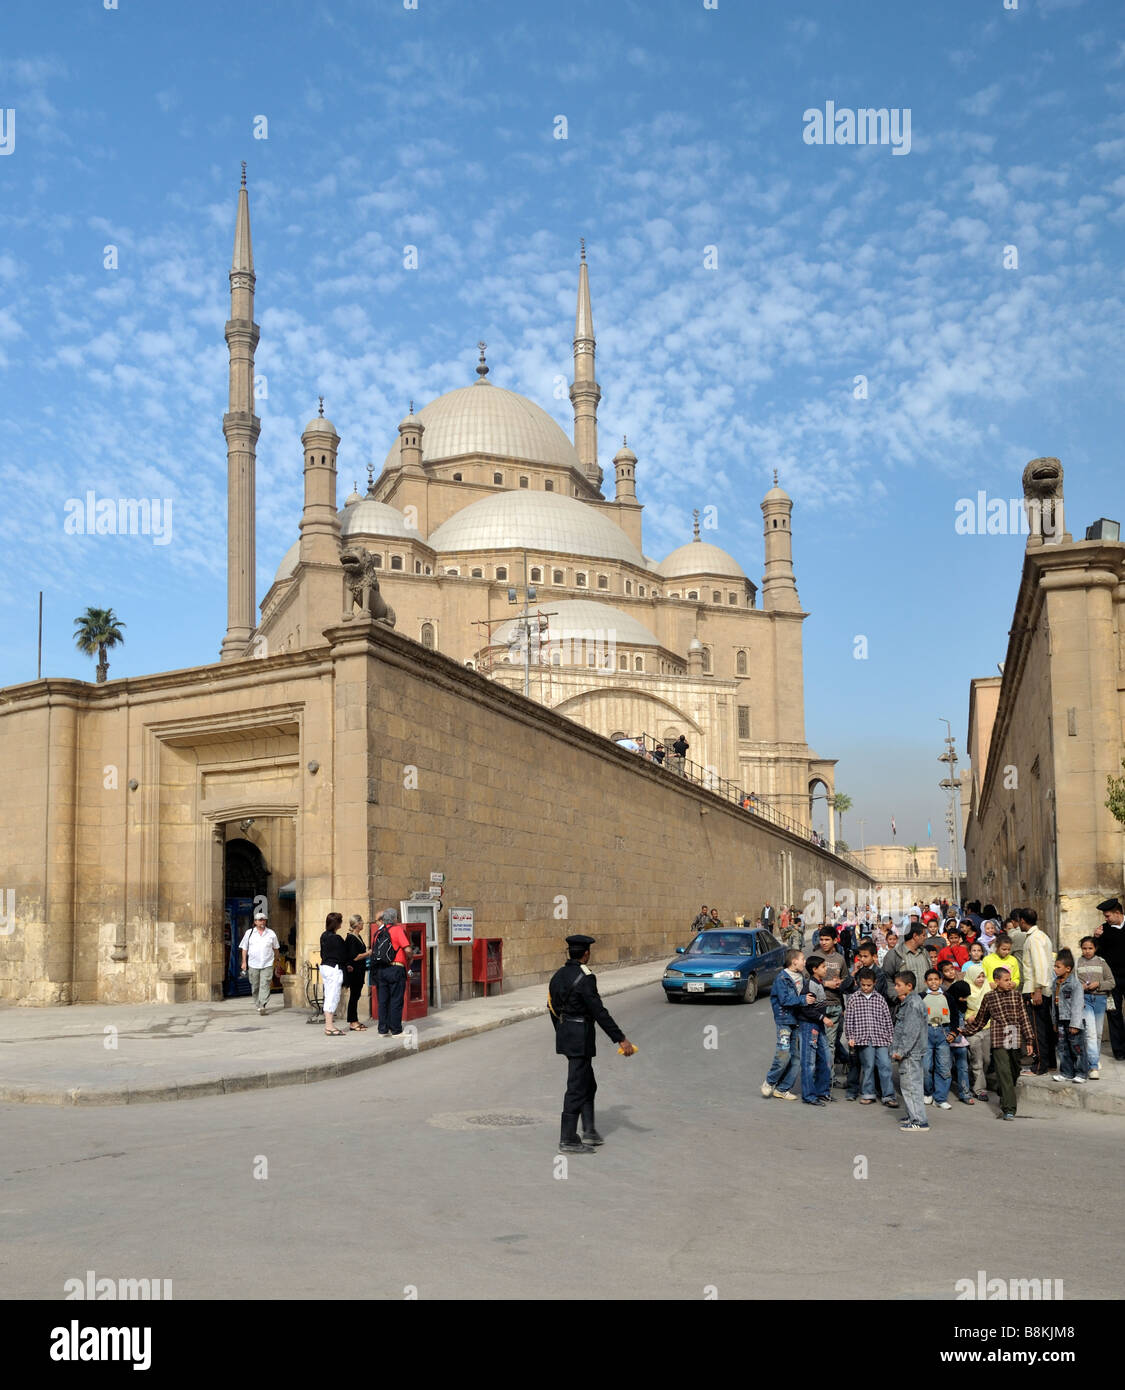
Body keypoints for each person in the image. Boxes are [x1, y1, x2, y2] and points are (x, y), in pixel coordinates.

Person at [548, 934, 635, 1153]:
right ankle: (567, 1138)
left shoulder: (558, 975)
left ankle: (589, 1131)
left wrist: (562, 1030)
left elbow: (551, 1007)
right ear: (586, 953)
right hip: (581, 1036)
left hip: (567, 1034)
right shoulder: (585, 978)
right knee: (576, 1086)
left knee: (587, 1082)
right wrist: (620, 1038)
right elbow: (598, 1011)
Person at [961, 965, 1035, 1119]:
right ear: (996, 981)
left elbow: (1024, 1018)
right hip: (999, 1037)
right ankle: (1009, 1109)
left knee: (1014, 1070)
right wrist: (964, 1031)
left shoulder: (1016, 995)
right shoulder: (989, 997)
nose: (1010, 983)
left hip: (1014, 1036)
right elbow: (980, 1020)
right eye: (1006, 980)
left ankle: (1003, 1091)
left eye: (1010, 979)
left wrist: (1029, 1039)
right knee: (1004, 1072)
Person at [762, 948, 809, 1100]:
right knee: (783, 1054)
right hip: (785, 1021)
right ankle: (770, 1081)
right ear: (794, 961)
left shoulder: (801, 976)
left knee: (796, 1059)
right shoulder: (782, 979)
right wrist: (803, 1000)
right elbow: (785, 1000)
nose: (805, 962)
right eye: (803, 959)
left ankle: (782, 1089)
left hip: (796, 1021)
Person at [844, 967, 895, 1106]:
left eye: (869, 985)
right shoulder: (854, 999)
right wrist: (851, 1037)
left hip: (881, 1038)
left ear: (875, 983)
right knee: (868, 1066)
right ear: (859, 983)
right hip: (863, 1038)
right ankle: (868, 1093)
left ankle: (888, 1095)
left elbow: (887, 1019)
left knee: (885, 1065)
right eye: (863, 985)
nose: (866, 988)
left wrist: (890, 1036)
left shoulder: (880, 999)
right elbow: (849, 1020)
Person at [1019, 909, 1056, 1074]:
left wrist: (1038, 989)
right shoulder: (1042, 936)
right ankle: (1050, 1062)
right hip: (1040, 988)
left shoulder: (1034, 938)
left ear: (1022, 921)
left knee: (1037, 1029)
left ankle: (1040, 1065)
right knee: (1045, 1027)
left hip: (1035, 990)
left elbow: (1039, 965)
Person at [891, 973, 929, 1131]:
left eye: (898, 985)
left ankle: (918, 1120)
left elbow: (910, 1032)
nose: (895, 987)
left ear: (909, 986)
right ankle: (912, 1114)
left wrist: (900, 1051)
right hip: (911, 1052)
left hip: (910, 1054)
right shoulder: (910, 1002)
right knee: (911, 1085)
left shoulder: (912, 1005)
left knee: (911, 1086)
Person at [1076, 936, 1116, 1079]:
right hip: (1085, 1000)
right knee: (1090, 1033)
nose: (1087, 951)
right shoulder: (1077, 963)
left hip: (1100, 1000)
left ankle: (1095, 1058)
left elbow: (1111, 982)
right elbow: (1072, 984)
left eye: (1090, 948)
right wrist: (1080, 987)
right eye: (1084, 948)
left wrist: (1098, 984)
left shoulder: (1102, 963)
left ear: (1095, 948)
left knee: (1097, 1033)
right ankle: (1093, 1066)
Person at [370, 908, 414, 1037]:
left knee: (383, 1000)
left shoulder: (378, 933)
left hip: (381, 970)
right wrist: (410, 958)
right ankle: (396, 1030)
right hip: (396, 969)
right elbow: (407, 949)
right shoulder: (397, 930)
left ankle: (382, 1030)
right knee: (396, 999)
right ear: (394, 919)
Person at [1093, 898, 1125, 1061]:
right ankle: (1119, 1051)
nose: (1106, 919)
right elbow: (1096, 954)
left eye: (1108, 916)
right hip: (1112, 980)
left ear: (1118, 913)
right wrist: (1096, 938)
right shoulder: (1103, 931)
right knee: (1114, 1013)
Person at [797, 955, 832, 1106]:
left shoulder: (818, 983)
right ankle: (809, 1096)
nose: (826, 969)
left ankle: (822, 1091)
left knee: (825, 1059)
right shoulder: (810, 985)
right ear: (814, 969)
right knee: (809, 1062)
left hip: (818, 1026)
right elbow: (806, 1010)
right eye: (823, 967)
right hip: (809, 1027)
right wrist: (822, 1018)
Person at [939, 959, 975, 1104]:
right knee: (944, 1069)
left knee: (963, 1068)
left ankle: (965, 1094)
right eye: (962, 997)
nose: (964, 1000)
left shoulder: (962, 1004)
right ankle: (941, 1095)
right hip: (947, 1039)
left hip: (960, 1041)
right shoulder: (945, 1003)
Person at [1051, 949, 1088, 1084]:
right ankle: (1066, 1072)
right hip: (1061, 1021)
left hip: (1073, 1022)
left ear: (1067, 969)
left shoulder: (1074, 984)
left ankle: (1081, 1073)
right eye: (1054, 966)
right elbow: (1053, 1004)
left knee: (1077, 1048)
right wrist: (1054, 1022)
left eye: (1057, 966)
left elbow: (1078, 1005)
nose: (1055, 969)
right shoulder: (1055, 983)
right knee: (1062, 1048)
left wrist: (1075, 1024)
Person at [920, 969, 953, 1111]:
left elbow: (955, 1015)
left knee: (944, 1066)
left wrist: (954, 1032)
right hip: (926, 1032)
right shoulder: (921, 997)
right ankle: (927, 1092)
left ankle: (940, 1098)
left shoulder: (947, 996)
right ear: (925, 982)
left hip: (943, 1032)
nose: (933, 982)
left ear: (940, 981)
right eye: (930, 979)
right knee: (926, 1067)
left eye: (936, 979)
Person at [239, 911, 280, 1016]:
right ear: (255, 922)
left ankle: (262, 1005)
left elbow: (276, 949)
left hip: (267, 963)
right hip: (253, 964)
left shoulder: (271, 933)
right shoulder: (249, 933)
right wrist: (244, 962)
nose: (262, 922)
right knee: (255, 985)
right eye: (260, 920)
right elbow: (244, 948)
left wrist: (277, 961)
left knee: (265, 984)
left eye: (264, 919)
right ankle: (258, 1003)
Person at [962, 961, 992, 1100]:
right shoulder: (965, 989)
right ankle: (980, 1089)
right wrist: (968, 1018)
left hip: (987, 1027)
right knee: (977, 1060)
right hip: (972, 1029)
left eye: (982, 976)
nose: (981, 979)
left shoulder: (988, 989)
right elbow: (962, 1010)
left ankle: (975, 1080)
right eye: (978, 977)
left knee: (987, 1059)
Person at [342, 914, 372, 1031]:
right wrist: (368, 953)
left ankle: (355, 1020)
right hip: (354, 971)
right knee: (354, 996)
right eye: (362, 922)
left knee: (356, 995)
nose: (363, 924)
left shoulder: (357, 937)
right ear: (357, 924)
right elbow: (355, 956)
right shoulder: (351, 938)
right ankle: (352, 1022)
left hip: (359, 971)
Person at [319, 912, 347, 1036]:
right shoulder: (337, 938)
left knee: (328, 994)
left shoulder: (323, 936)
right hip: (334, 968)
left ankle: (328, 1024)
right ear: (337, 924)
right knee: (333, 996)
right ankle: (329, 1026)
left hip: (325, 966)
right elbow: (343, 956)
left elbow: (322, 953)